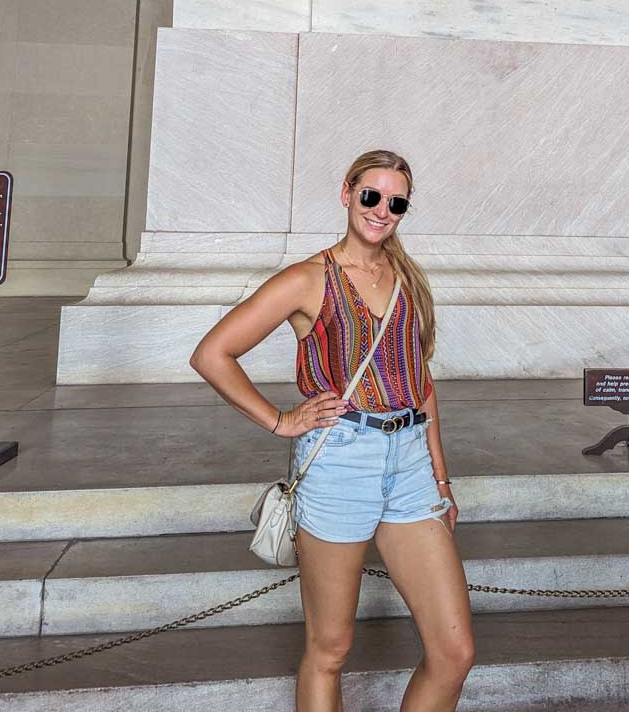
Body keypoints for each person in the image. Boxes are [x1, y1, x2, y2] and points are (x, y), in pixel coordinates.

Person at [189, 149, 473, 712]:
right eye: (371, 196)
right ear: (347, 194)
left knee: (454, 651)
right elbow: (212, 353)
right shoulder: (308, 279)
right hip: (341, 460)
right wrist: (280, 421)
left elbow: (420, 382)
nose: (382, 210)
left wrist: (441, 480)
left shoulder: (407, 279)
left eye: (396, 203)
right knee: (330, 649)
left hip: (411, 464)